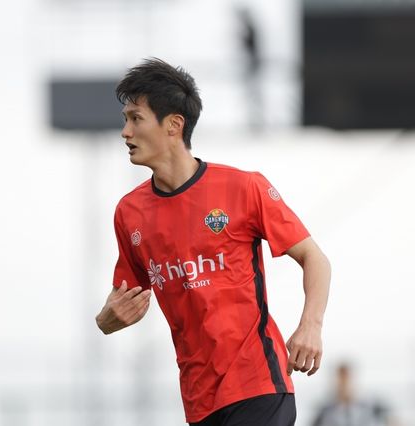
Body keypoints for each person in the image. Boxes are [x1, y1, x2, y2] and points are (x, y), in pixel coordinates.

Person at [95, 58, 331, 426]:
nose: (125, 132)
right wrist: (105, 321)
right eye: (126, 119)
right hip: (199, 400)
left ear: (174, 125)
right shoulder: (130, 213)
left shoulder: (244, 187)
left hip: (258, 384)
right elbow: (124, 298)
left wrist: (310, 326)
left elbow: (315, 258)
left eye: (135, 118)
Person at [311, 364, 394, 426]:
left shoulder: (373, 405)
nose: (344, 383)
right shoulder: (325, 410)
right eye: (340, 379)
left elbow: (392, 421)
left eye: (346, 378)